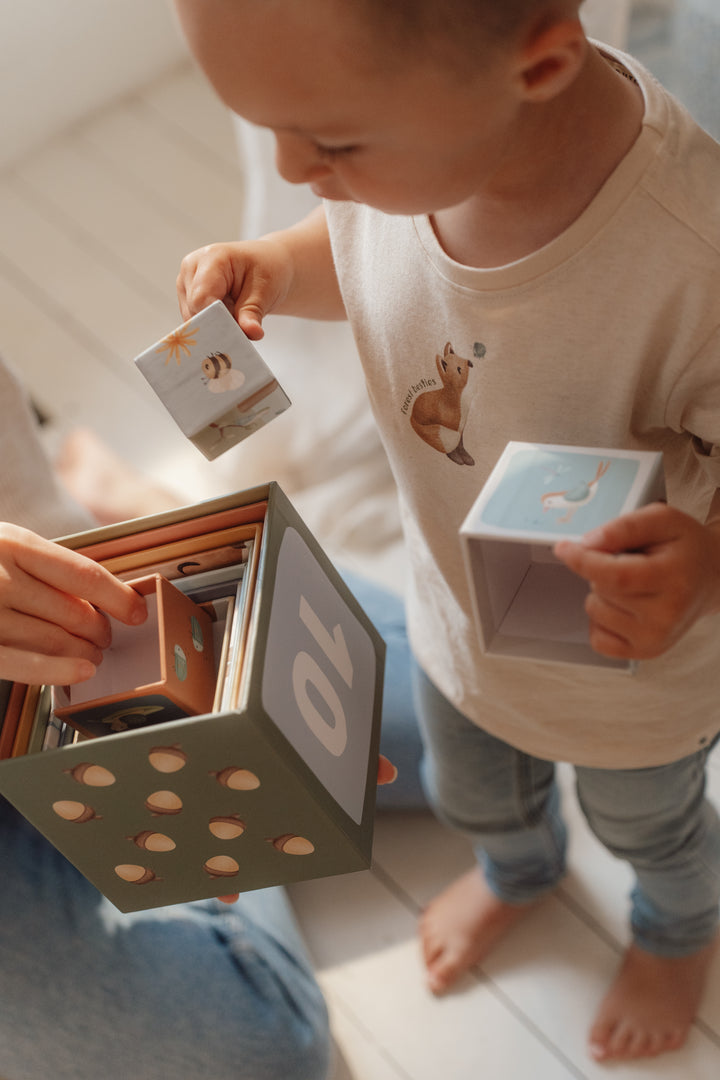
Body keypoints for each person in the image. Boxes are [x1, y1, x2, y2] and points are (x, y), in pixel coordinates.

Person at [171, 0, 720, 1063]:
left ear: (542, 62)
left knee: (648, 829)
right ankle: (519, 871)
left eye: (324, 142)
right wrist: (281, 268)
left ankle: (679, 928)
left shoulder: (694, 257)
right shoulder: (399, 164)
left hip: (635, 671)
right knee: (477, 792)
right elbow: (363, 255)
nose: (292, 171)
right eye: (268, 132)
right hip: (457, 617)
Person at [0, 354, 425, 1079]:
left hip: (51, 628)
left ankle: (124, 512)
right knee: (260, 1055)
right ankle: (138, 530)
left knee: (459, 726)